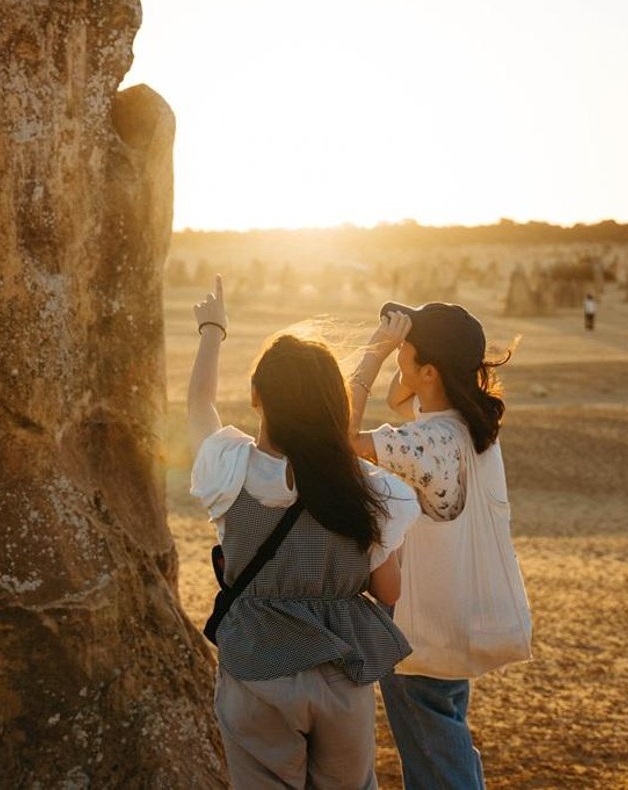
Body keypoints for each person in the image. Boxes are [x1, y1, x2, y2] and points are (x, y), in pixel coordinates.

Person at [188, 276, 420, 789]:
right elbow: (389, 592)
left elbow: (200, 407)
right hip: (342, 676)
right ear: (332, 406)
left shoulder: (229, 472)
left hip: (257, 672)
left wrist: (212, 330)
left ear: (256, 398)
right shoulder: (369, 492)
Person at [345, 302, 520, 790]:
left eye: (409, 350)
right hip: (453, 620)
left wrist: (372, 357)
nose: (400, 350)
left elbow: (340, 437)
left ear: (428, 370)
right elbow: (405, 400)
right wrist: (416, 334)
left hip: (420, 632)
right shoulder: (466, 427)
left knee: (437, 763)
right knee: (446, 740)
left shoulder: (430, 442)